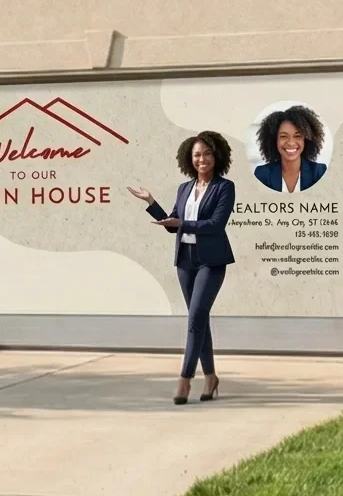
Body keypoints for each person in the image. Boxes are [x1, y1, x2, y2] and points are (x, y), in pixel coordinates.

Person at [126, 130, 233, 405]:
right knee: (200, 320)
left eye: (207, 154)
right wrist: (151, 202)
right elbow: (171, 223)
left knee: (195, 317)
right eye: (197, 155)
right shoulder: (184, 189)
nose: (202, 159)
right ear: (190, 158)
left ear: (216, 155)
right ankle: (210, 377)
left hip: (212, 260)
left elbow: (215, 226)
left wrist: (182, 224)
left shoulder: (225, 187)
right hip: (185, 260)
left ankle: (184, 379)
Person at [250, 105, 326, 194]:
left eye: (297, 136)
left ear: (306, 140)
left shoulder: (319, 172)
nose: (291, 142)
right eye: (283, 136)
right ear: (275, 140)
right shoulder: (262, 173)